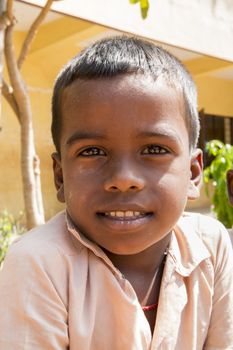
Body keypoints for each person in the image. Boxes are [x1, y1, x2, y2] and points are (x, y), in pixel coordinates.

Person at [0, 36, 232, 350]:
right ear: (60, 177)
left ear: (192, 173)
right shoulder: (39, 262)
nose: (123, 179)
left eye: (153, 149)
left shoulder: (210, 246)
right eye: (92, 151)